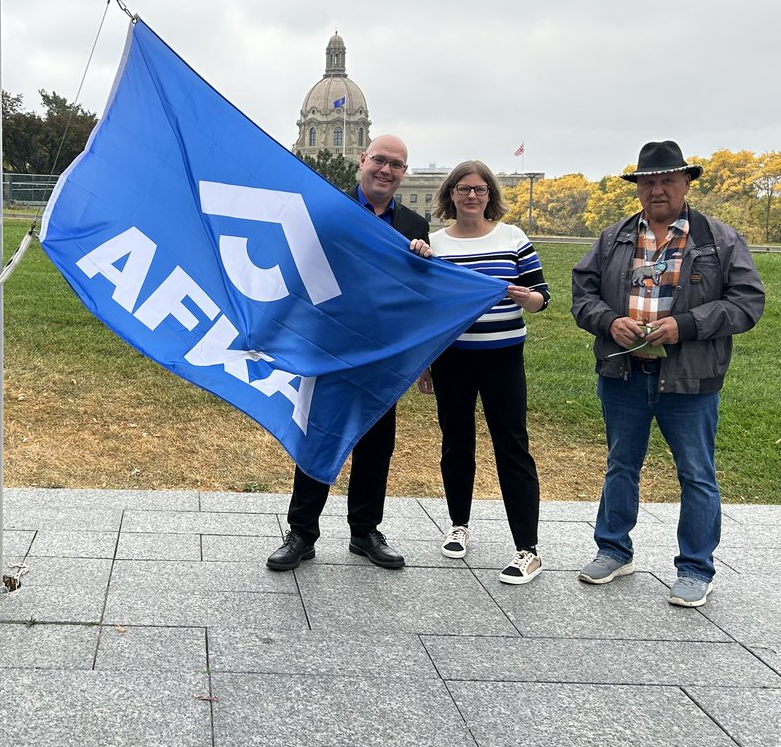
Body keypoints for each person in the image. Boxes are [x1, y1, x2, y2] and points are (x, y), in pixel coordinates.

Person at [572, 140, 763, 607]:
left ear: (686, 183)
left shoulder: (719, 239)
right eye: (648, 182)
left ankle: (696, 568)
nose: (657, 190)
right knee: (621, 465)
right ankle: (613, 549)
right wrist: (607, 321)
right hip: (625, 373)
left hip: (690, 379)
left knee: (696, 473)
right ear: (638, 187)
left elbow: (747, 303)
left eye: (667, 181)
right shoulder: (614, 236)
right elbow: (583, 293)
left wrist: (686, 326)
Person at [267, 134, 432, 572]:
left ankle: (364, 531)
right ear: (363, 160)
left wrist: (423, 260)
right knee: (318, 436)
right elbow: (300, 271)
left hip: (384, 356)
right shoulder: (331, 211)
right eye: (380, 160)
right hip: (332, 347)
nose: (386, 170)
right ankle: (302, 532)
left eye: (396, 164)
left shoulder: (414, 226)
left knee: (377, 445)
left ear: (403, 173)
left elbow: (419, 297)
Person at [416, 160, 549, 585]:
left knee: (512, 446)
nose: (471, 196)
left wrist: (529, 300)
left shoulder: (513, 238)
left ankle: (527, 548)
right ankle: (458, 524)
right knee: (456, 443)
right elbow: (428, 309)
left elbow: (542, 295)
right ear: (450, 195)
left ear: (490, 194)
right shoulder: (435, 244)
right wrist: (424, 361)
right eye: (462, 189)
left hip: (503, 358)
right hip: (452, 358)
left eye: (479, 189)